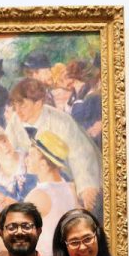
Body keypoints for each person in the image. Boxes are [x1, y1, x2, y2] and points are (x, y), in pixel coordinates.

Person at [5, 77, 100, 209]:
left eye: (23, 105)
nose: (17, 110)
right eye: (15, 105)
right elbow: (8, 150)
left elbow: (82, 155)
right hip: (34, 183)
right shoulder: (15, 122)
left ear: (38, 104)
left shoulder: (62, 122)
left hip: (66, 182)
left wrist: (86, 187)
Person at [23, 131, 79, 256]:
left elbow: (14, 240)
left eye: (31, 155)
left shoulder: (38, 195)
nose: (26, 159)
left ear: (43, 165)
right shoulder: (70, 188)